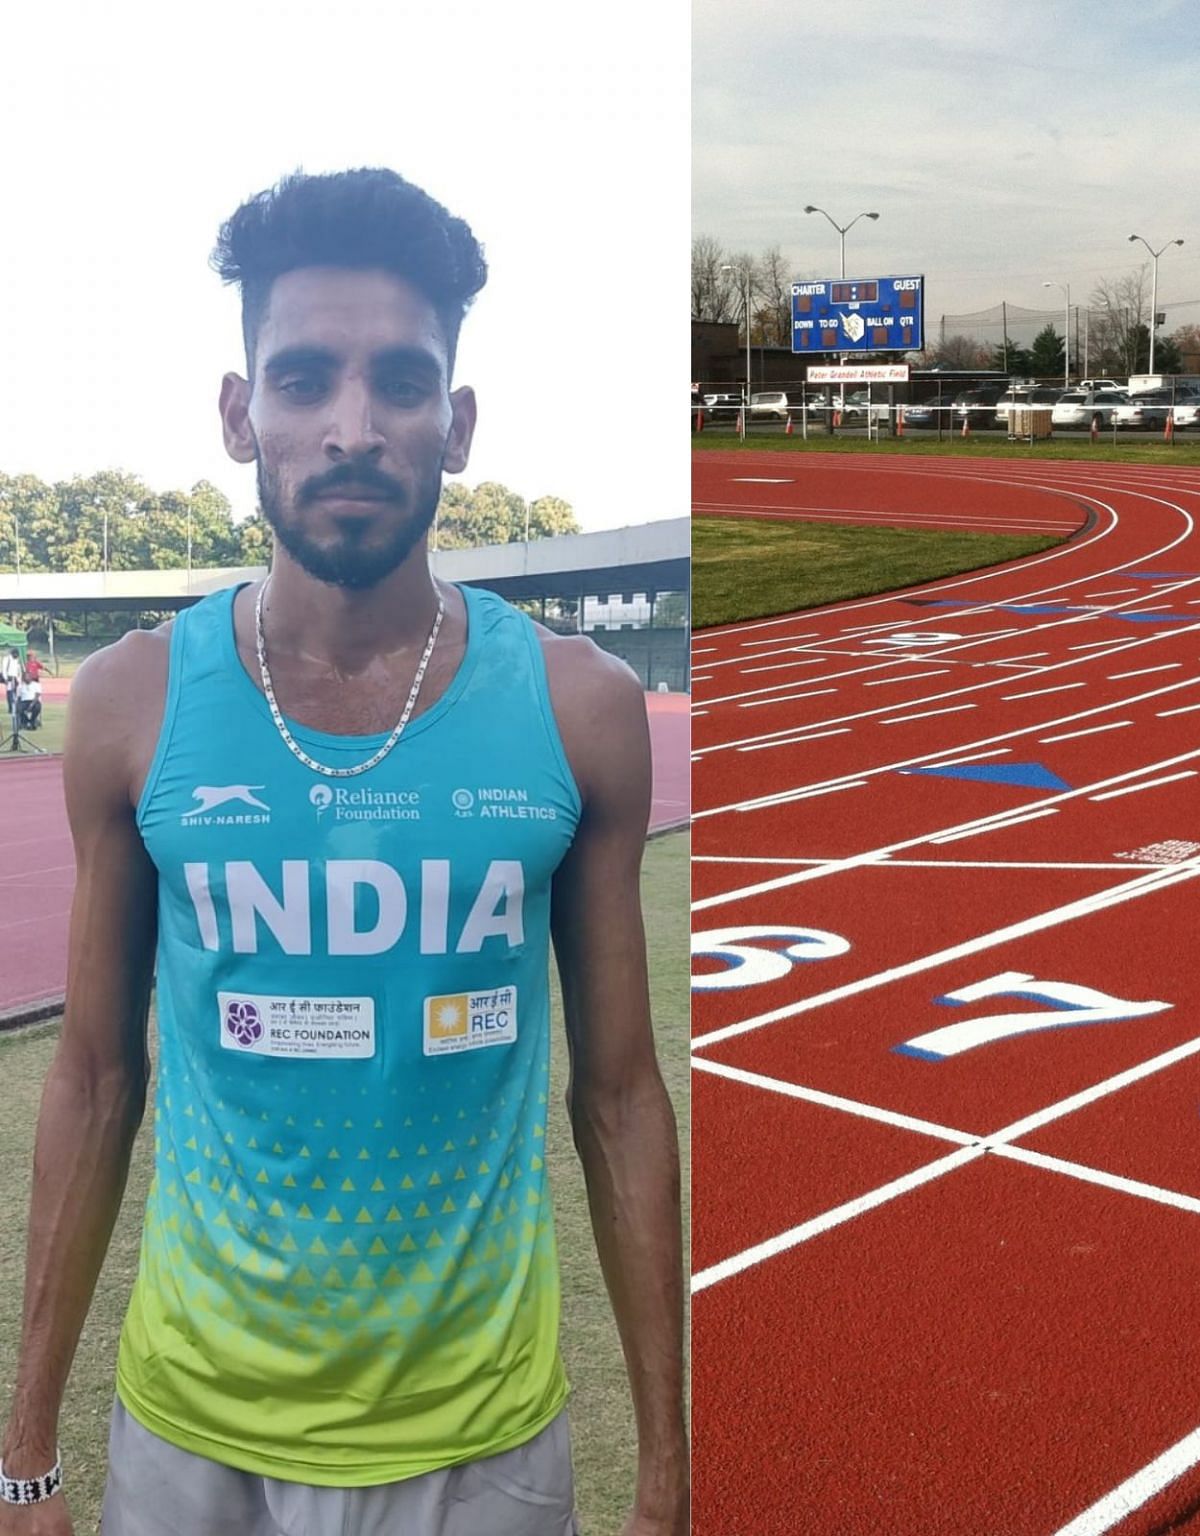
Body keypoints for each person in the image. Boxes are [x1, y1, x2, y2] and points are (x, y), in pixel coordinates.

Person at [0, 170, 688, 1536]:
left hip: (478, 1442)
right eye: (305, 379)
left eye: (403, 382)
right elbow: (89, 1076)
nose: (353, 428)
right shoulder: (137, 702)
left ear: (460, 422)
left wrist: (665, 1469)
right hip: (189, 1432)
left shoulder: (580, 708)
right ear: (241, 413)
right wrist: (26, 1458)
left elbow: (616, 1098)